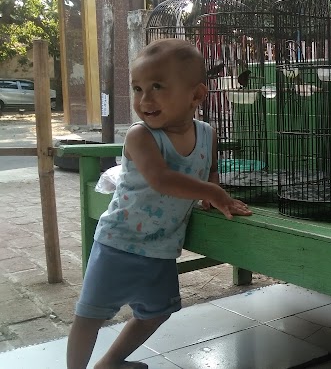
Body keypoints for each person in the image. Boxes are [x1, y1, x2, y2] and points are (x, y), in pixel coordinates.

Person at [66, 38, 252, 369]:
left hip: (162, 249)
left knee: (158, 312)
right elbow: (161, 179)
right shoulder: (141, 137)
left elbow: (209, 171)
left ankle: (109, 363)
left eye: (156, 86)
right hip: (118, 244)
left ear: (196, 95)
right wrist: (212, 194)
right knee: (90, 314)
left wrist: (213, 192)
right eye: (137, 89)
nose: (144, 99)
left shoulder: (208, 134)